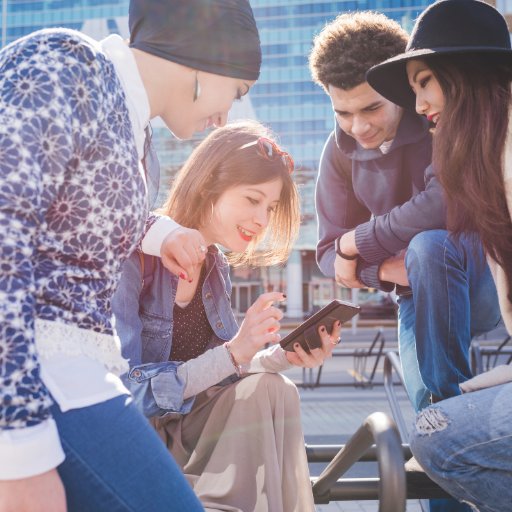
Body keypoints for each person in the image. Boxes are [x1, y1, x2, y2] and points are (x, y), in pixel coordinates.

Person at [0, 1, 264, 511]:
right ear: (206, 59)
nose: (225, 115)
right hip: (35, 371)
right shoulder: (66, 62)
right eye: (236, 91)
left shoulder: (136, 131)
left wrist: (157, 232)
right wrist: (17, 448)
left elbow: (70, 203)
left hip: (77, 371)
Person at [311, 12, 501, 511]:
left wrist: (362, 245)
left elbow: (447, 203)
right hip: (418, 291)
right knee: (432, 427)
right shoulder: (341, 152)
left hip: (478, 276)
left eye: (371, 107)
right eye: (343, 113)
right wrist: (378, 265)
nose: (359, 126)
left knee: (429, 246)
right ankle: (447, 439)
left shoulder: (440, 116)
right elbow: (330, 252)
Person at [112, 120, 341, 512]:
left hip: (196, 428)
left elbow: (226, 371)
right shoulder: (135, 256)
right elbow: (124, 392)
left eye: (269, 208)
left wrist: (285, 356)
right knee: (268, 389)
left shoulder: (216, 268)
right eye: (253, 200)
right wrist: (235, 352)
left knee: (275, 386)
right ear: (208, 189)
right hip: (143, 435)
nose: (263, 220)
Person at [366, 0, 512, 509]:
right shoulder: (485, 157)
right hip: (431, 295)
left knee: (436, 439)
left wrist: (356, 246)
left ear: (466, 72)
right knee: (437, 422)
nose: (420, 102)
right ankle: (445, 411)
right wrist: (473, 392)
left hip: (464, 289)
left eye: (425, 80)